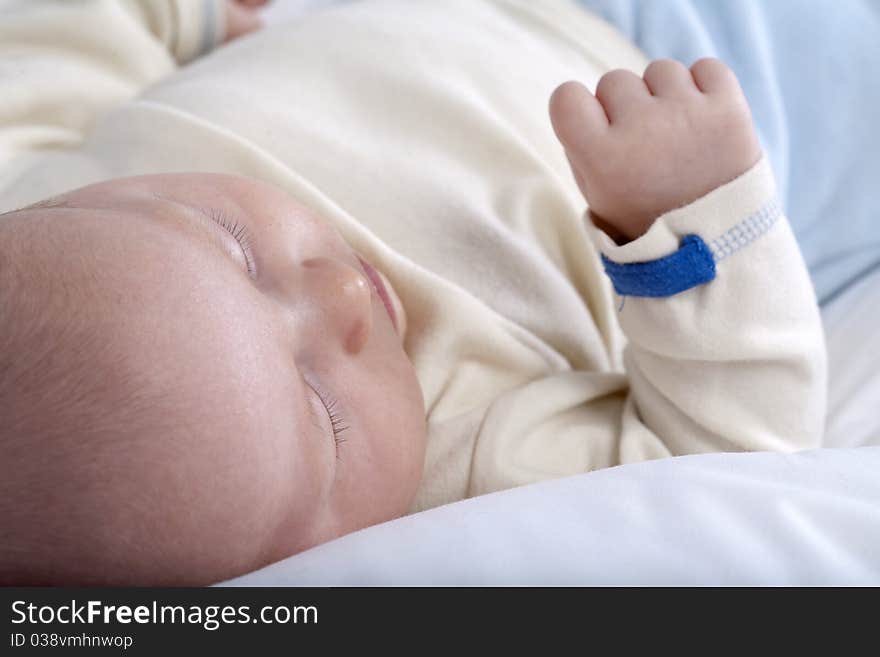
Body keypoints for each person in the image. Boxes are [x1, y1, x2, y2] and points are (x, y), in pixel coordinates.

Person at [0, 0, 825, 585]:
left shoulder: (31, 189)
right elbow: (729, 456)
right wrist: (694, 218)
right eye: (324, 413)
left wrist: (194, 14)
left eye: (236, 247)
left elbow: (58, 29)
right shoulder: (460, 469)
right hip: (733, 118)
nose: (345, 298)